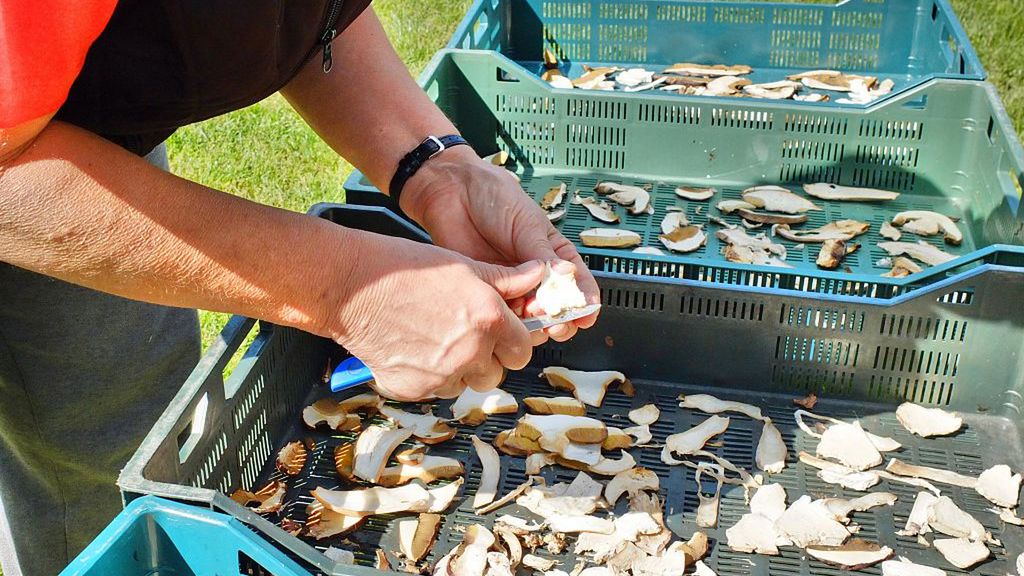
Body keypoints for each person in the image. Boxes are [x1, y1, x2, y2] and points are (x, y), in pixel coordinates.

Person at [0, 2, 599, 573]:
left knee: (144, 404)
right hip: (25, 172)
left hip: (71, 120)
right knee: (99, 463)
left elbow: (314, 18)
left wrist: (440, 171)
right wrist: (351, 288)